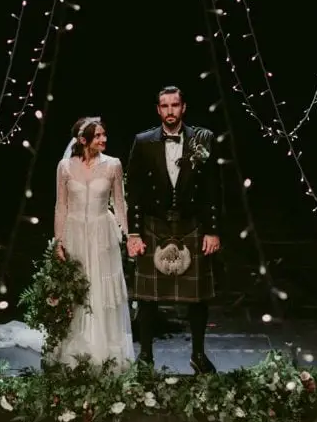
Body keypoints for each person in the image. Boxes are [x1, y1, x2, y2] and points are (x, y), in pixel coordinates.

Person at [125, 86, 222, 374]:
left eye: (175, 105)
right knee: (147, 297)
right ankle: (146, 356)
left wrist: (213, 230)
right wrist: (134, 233)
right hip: (154, 224)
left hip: (192, 224)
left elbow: (212, 188)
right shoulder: (143, 142)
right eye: (164, 106)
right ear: (158, 109)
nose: (170, 111)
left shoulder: (202, 139)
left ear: (183, 108)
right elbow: (136, 191)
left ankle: (198, 354)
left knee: (198, 297)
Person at [47, 117, 136, 368]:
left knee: (100, 288)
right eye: (98, 135)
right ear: (83, 139)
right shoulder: (64, 167)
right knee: (77, 289)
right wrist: (58, 242)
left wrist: (129, 235)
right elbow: (60, 206)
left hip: (101, 234)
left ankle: (103, 350)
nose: (104, 139)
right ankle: (76, 349)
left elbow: (120, 203)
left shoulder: (113, 165)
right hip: (75, 232)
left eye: (104, 134)